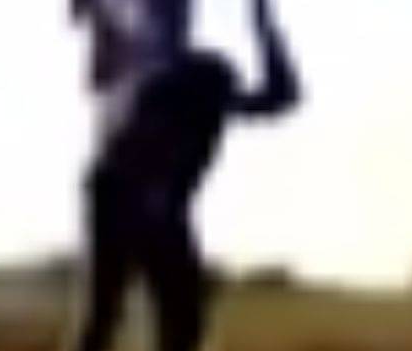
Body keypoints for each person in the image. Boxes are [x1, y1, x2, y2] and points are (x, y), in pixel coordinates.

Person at [74, 26, 300, 351]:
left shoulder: (187, 95)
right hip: (127, 200)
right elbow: (280, 97)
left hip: (130, 199)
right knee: (125, 312)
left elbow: (281, 97)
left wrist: (266, 31)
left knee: (122, 313)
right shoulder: (178, 99)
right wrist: (265, 30)